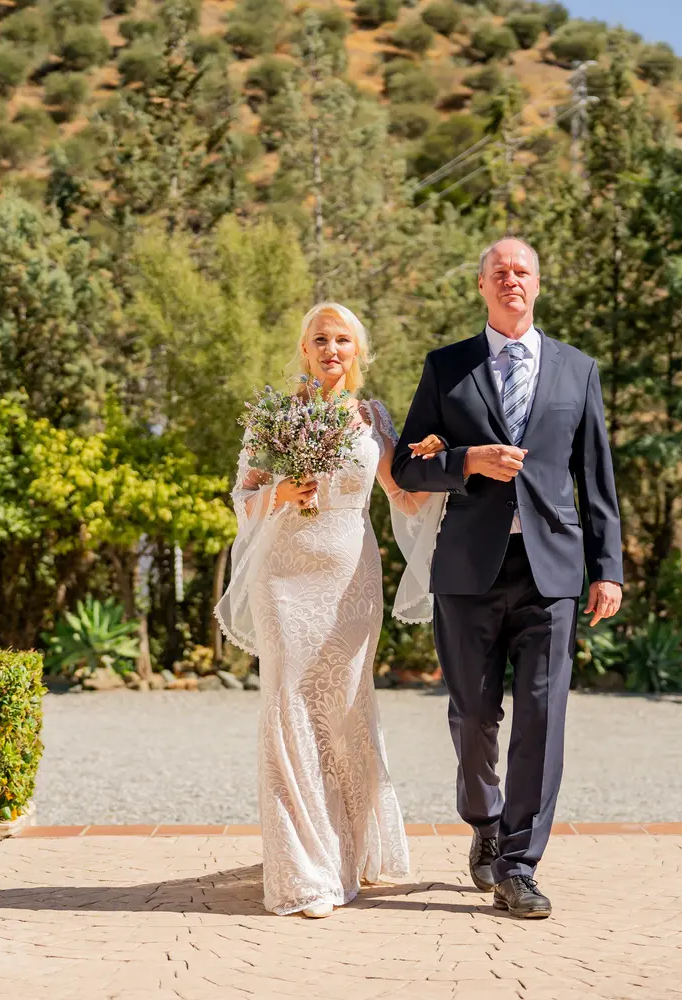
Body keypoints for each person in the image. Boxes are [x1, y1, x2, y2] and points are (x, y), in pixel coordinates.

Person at [390, 237, 624, 920]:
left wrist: (607, 569)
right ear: (482, 286)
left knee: (543, 720)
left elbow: (596, 478)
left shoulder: (578, 370)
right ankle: (484, 819)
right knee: (472, 714)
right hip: (468, 569)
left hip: (552, 571)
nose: (511, 279)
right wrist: (465, 460)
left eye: (522, 271)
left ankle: (519, 866)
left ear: (538, 284)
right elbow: (406, 465)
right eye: (499, 272)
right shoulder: (447, 367)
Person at [216, 302, 445, 919]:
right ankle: (303, 871)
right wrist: (280, 491)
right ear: (304, 349)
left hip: (351, 578)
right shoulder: (273, 417)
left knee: (344, 710)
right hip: (283, 577)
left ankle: (345, 853)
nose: (331, 349)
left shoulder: (373, 418)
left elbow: (402, 496)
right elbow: (243, 499)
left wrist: (438, 462)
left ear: (357, 351)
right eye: (320, 339)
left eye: (343, 339)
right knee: (287, 703)